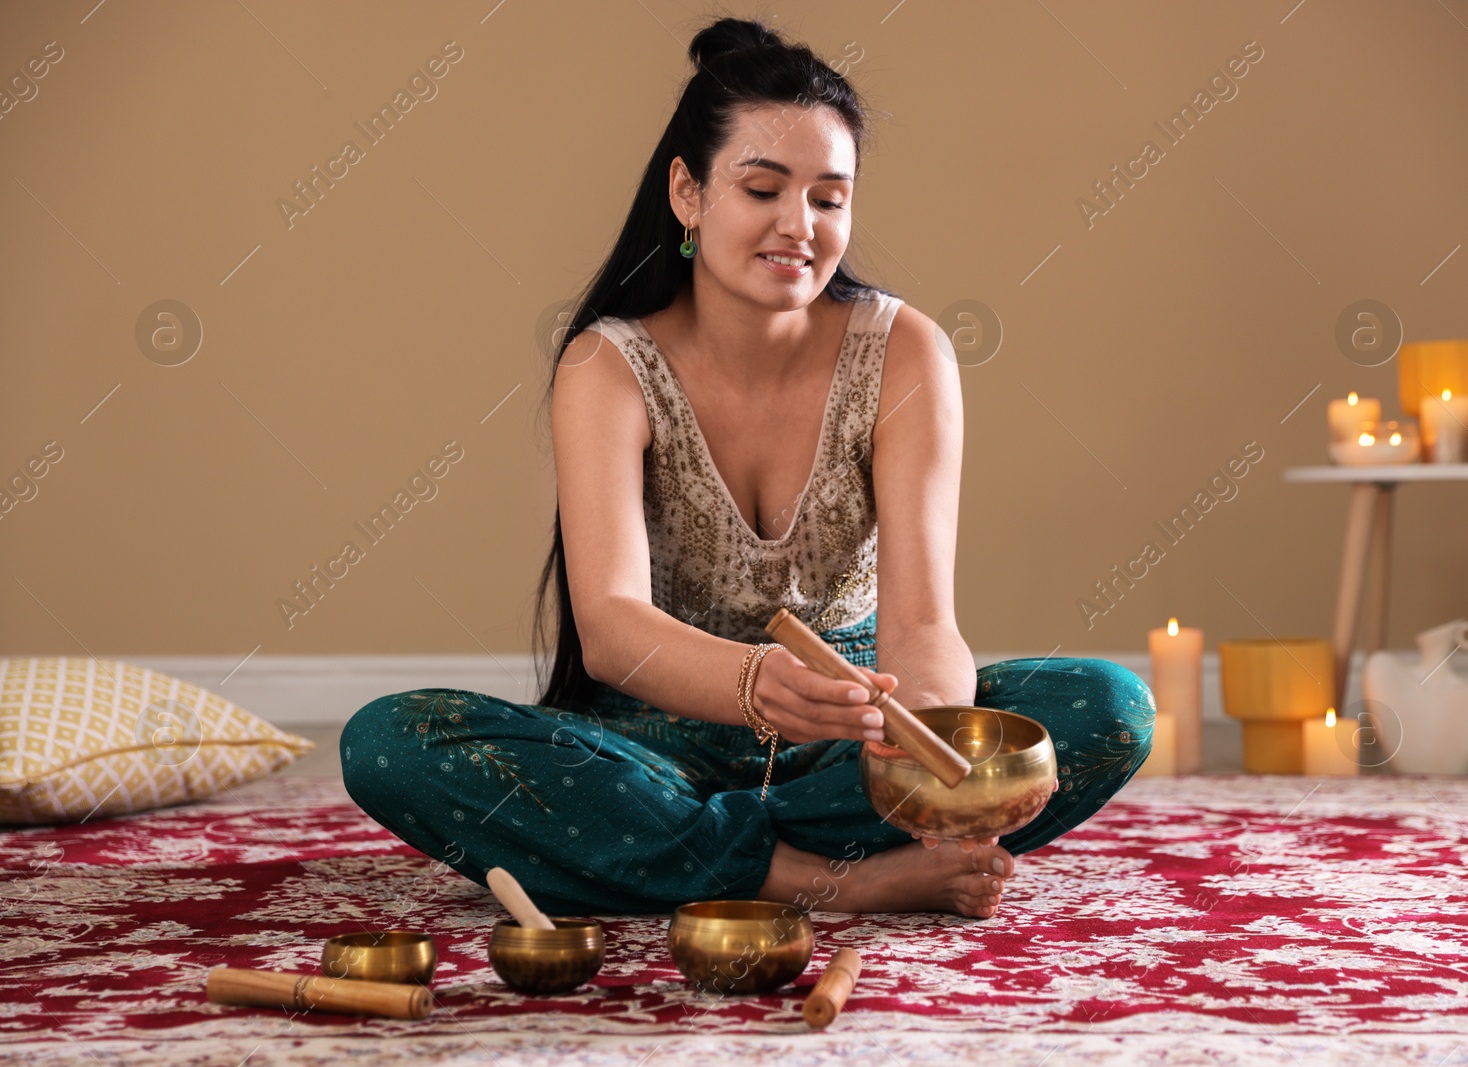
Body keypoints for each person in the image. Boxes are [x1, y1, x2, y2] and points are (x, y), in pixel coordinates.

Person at [341, 16, 1155, 919]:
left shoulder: (907, 351)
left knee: (1108, 706)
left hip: (848, 736)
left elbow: (924, 622)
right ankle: (820, 875)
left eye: (830, 198)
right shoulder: (607, 367)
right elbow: (610, 628)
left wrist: (913, 740)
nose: (798, 226)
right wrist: (749, 683)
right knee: (390, 741)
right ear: (688, 192)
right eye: (763, 188)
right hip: (656, 742)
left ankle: (679, 852)